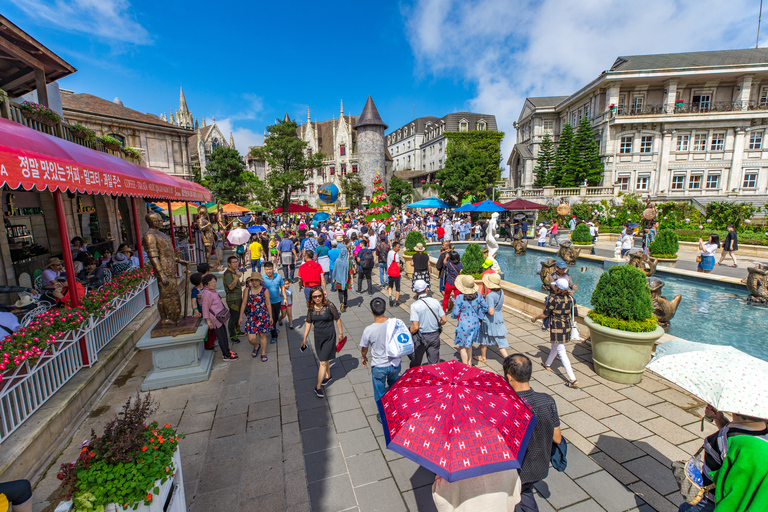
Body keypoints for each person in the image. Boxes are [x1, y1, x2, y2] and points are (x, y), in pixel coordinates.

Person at [677, 405, 768, 512]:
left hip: (713, 499)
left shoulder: (716, 441)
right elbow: (738, 438)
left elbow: (728, 443)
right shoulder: (762, 435)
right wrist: (720, 419)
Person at [503, 354, 561, 512]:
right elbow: (557, 437)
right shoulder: (547, 400)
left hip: (516, 471)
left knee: (519, 496)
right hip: (539, 466)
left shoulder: (507, 406)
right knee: (526, 492)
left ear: (509, 377)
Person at [531, 278, 579, 388]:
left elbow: (545, 314)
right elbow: (575, 314)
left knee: (561, 351)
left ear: (557, 287)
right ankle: (547, 364)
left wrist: (535, 318)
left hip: (557, 327)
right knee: (555, 346)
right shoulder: (571, 299)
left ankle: (572, 379)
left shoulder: (554, 299)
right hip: (566, 326)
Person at [360, 297, 401, 416]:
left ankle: (383, 414)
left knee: (380, 392)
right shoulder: (394, 324)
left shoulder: (369, 330)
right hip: (394, 363)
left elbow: (364, 348)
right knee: (394, 387)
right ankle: (395, 408)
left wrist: (363, 357)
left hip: (379, 366)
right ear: (385, 309)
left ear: (371, 311)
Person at [302, 286, 343, 398]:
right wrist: (305, 337)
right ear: (311, 297)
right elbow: (309, 322)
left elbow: (337, 319)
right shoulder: (311, 308)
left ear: (323, 295)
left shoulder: (329, 306)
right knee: (324, 358)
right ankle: (328, 375)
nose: (317, 298)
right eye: (315, 296)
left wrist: (340, 333)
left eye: (319, 295)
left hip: (329, 336)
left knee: (323, 362)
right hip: (318, 337)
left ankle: (318, 387)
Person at [451, 275, 489, 365]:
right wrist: (479, 314)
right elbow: (485, 307)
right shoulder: (478, 295)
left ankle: (465, 365)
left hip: (464, 323)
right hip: (475, 322)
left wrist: (455, 311)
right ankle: (470, 362)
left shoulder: (460, 297)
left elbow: (455, 313)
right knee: (469, 344)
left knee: (462, 346)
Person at [200, 274, 238, 361]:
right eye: (211, 283)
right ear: (206, 285)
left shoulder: (213, 291)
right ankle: (226, 355)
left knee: (224, 336)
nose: (214, 284)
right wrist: (208, 321)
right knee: (221, 338)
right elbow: (205, 308)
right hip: (215, 320)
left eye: (214, 282)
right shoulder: (207, 294)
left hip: (220, 318)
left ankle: (228, 351)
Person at [409, 280, 446, 367]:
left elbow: (415, 327)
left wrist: (408, 332)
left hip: (421, 338)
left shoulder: (414, 306)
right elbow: (444, 319)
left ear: (415, 291)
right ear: (426, 289)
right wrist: (438, 324)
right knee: (434, 364)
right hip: (434, 335)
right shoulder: (435, 301)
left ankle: (415, 378)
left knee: (416, 362)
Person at [238, 275, 272, 362]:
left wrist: (270, 316)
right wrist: (240, 316)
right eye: (252, 280)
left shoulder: (265, 290)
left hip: (263, 315)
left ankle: (263, 353)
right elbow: (244, 303)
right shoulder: (247, 290)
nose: (254, 282)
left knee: (262, 335)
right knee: (251, 338)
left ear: (259, 281)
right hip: (251, 315)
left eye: (256, 280)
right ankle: (256, 346)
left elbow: (268, 303)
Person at [477, 273, 510, 362]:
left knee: (484, 337)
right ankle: (507, 358)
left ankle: (484, 357)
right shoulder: (501, 291)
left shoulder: (490, 296)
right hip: (499, 316)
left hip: (490, 320)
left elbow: (491, 311)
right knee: (499, 340)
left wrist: (482, 306)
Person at [262, 262, 287, 343]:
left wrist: (285, 298)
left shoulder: (278, 277)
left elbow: (282, 287)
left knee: (275, 317)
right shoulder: (262, 279)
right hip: (267, 303)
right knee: (271, 318)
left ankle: (274, 327)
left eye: (269, 269)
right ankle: (274, 335)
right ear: (264, 270)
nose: (268, 271)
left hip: (277, 301)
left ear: (273, 269)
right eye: (266, 269)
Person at [222, 256, 243, 343]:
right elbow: (230, 287)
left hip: (238, 297)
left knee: (238, 315)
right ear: (229, 264)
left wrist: (240, 283)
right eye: (233, 262)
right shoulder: (228, 274)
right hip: (232, 299)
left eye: (236, 262)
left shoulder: (233, 272)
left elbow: (234, 284)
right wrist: (237, 277)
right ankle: (232, 335)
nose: (235, 264)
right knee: (233, 317)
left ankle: (237, 330)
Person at [332, 242, 353, 312]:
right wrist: (352, 280)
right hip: (346, 279)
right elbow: (350, 271)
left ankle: (341, 302)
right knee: (345, 291)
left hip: (338, 278)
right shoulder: (348, 261)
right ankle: (346, 303)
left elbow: (334, 270)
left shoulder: (337, 261)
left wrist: (333, 278)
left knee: (340, 292)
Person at [387, 241, 403, 307]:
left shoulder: (389, 252)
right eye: (398, 247)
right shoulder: (396, 255)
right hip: (396, 273)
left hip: (390, 272)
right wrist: (402, 268)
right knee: (397, 287)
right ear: (394, 247)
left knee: (390, 286)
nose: (399, 248)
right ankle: (396, 301)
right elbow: (398, 265)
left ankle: (390, 296)